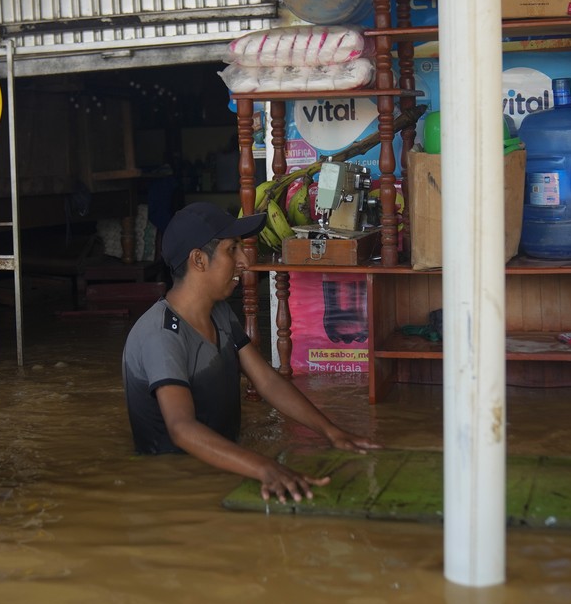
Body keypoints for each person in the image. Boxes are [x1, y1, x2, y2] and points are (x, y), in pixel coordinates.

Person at [123, 201, 380, 502]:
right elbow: (181, 429)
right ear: (198, 260)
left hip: (226, 467)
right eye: (232, 250)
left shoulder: (219, 314)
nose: (245, 261)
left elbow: (267, 382)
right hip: (179, 487)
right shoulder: (161, 335)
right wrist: (265, 468)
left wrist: (331, 432)